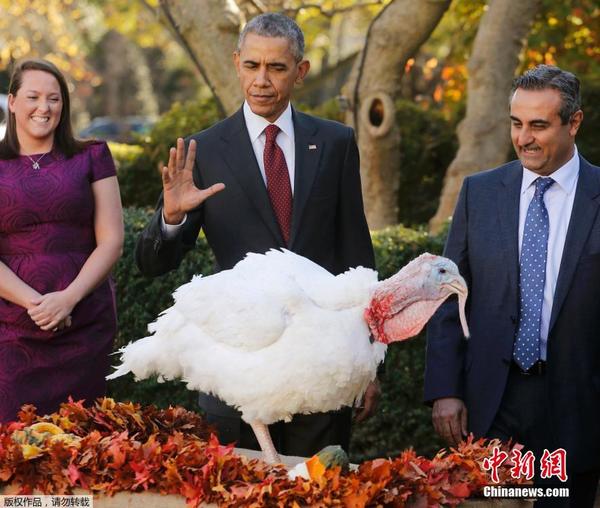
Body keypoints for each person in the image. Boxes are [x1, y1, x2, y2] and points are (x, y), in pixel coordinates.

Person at [135, 12, 377, 457]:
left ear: (300, 71)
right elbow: (153, 264)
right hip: (238, 382)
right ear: (236, 62)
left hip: (320, 373)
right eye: (252, 66)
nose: (261, 80)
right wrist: (169, 218)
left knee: (319, 495)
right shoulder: (202, 150)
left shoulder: (336, 143)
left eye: (276, 67)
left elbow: (357, 259)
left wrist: (366, 359)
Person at [424, 65, 599, 507]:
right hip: (491, 402)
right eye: (516, 124)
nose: (524, 138)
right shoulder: (479, 193)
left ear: (574, 122)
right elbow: (448, 295)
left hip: (575, 407)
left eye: (539, 125)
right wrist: (445, 389)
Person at [0, 59, 124, 422]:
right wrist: (37, 305)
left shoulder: (93, 155)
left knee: (82, 444)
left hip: (84, 323)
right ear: (12, 101)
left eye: (54, 98)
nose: (45, 107)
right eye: (33, 96)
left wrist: (67, 300)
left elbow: (112, 240)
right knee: (12, 442)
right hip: (11, 328)